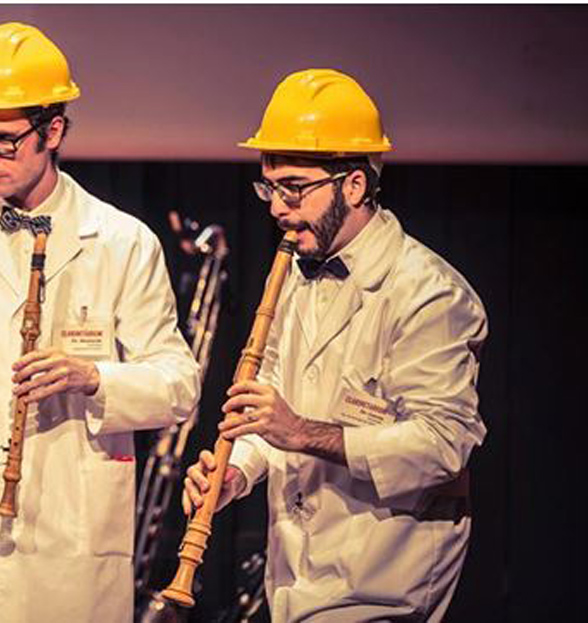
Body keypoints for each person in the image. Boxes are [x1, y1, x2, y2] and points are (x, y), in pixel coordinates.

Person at [0, 22, 200, 622]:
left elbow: (179, 385)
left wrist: (94, 378)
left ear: (52, 131)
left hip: (74, 534)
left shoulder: (123, 241)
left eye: (3, 141)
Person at [182, 68, 488, 622]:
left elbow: (444, 445)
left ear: (354, 186)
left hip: (384, 585)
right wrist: (238, 472)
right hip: (296, 583)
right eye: (269, 187)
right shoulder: (295, 275)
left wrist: (301, 431)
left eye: (294, 188)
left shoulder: (430, 294)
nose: (276, 207)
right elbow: (270, 414)